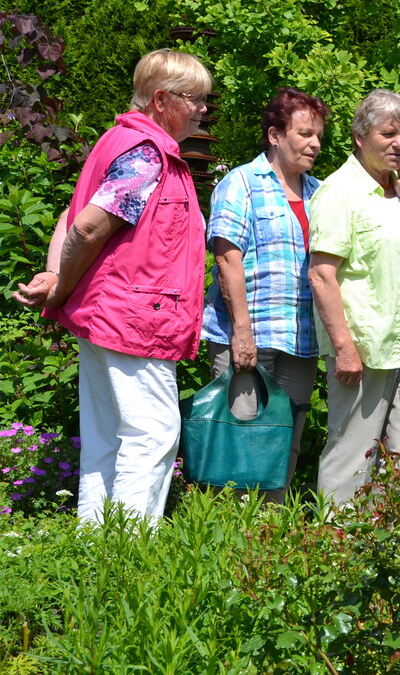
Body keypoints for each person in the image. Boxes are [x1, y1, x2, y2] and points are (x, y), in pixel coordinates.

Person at [13, 49, 212, 523]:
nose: (204, 109)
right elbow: (85, 227)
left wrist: (58, 276)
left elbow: (71, 216)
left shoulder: (119, 142)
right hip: (135, 319)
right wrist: (59, 283)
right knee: (153, 432)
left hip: (108, 315)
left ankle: (93, 542)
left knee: (106, 433)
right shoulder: (147, 154)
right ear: (162, 100)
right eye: (196, 99)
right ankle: (127, 552)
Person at [308, 89, 400, 506]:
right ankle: (336, 549)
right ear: (359, 135)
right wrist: (344, 349)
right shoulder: (340, 192)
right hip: (365, 345)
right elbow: (321, 275)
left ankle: (391, 547)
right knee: (354, 448)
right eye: (389, 133)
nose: (399, 144)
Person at [201, 87, 329, 503]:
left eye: (319, 136)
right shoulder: (241, 182)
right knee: (241, 437)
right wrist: (242, 332)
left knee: (284, 440)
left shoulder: (319, 193)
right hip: (248, 335)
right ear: (275, 135)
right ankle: (230, 534)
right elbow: (227, 260)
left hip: (300, 338)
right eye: (305, 133)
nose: (314, 144)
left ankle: (269, 537)